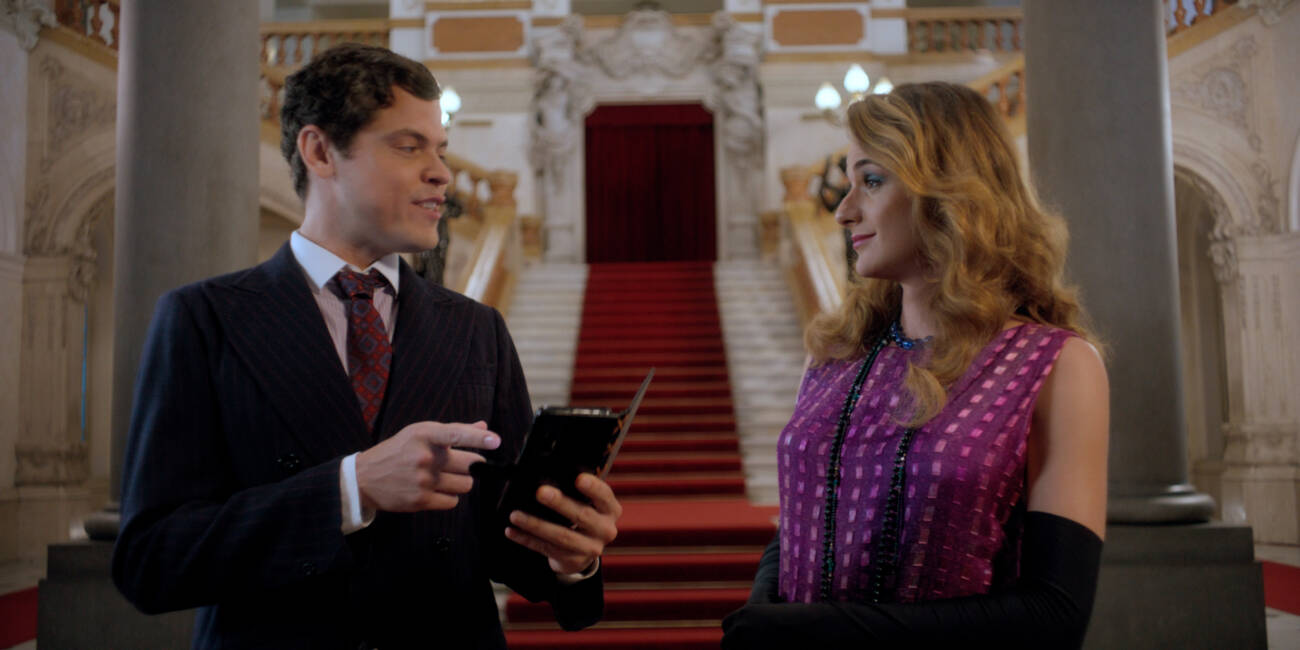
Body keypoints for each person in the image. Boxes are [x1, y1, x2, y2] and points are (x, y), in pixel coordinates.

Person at [112, 43, 621, 649]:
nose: (441, 174)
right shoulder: (204, 319)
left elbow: (505, 546)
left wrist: (571, 556)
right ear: (320, 151)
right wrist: (351, 487)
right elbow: (152, 561)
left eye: (441, 150)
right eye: (409, 147)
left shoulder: (475, 328)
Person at [722, 82, 1109, 649]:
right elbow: (798, 526)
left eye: (872, 181)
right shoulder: (834, 353)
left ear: (950, 192)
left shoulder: (1057, 366)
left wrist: (814, 632)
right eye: (848, 183)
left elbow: (1056, 615)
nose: (844, 210)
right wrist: (763, 617)